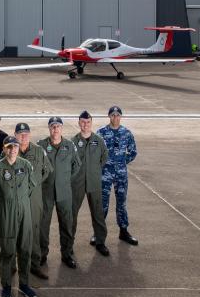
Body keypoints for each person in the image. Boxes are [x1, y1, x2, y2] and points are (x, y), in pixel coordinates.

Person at [0, 136, 38, 297]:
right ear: (4, 149)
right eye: (9, 147)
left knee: (25, 248)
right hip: (6, 212)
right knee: (7, 250)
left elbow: (31, 186)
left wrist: (21, 201)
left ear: (19, 148)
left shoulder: (26, 165)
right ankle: (6, 286)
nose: (12, 150)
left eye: (15, 146)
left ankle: (24, 284)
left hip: (24, 211)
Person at [37, 117, 81, 269]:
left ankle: (67, 254)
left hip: (64, 192)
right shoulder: (41, 145)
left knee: (67, 223)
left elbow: (77, 165)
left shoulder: (70, 145)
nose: (55, 129)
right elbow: (37, 166)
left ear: (62, 128)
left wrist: (65, 180)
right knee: (43, 224)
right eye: (52, 126)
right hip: (46, 191)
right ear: (49, 129)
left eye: (58, 126)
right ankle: (42, 254)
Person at [12, 123, 52, 280]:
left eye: (26, 133)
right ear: (15, 135)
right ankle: (11, 266)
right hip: (16, 200)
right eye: (20, 133)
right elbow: (0, 171)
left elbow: (46, 170)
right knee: (14, 232)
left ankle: (34, 265)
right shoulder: (9, 150)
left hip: (34, 200)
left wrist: (34, 183)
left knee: (35, 232)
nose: (23, 136)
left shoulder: (38, 150)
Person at [97, 106, 138, 245]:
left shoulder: (126, 133)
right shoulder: (101, 133)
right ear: (109, 116)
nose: (115, 117)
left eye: (117, 115)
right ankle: (98, 234)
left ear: (121, 117)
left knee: (121, 202)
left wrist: (121, 162)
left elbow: (133, 152)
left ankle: (124, 231)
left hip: (121, 174)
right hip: (105, 173)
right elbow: (95, 151)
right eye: (113, 115)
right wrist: (104, 163)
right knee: (102, 204)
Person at [70, 111, 110, 256]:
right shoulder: (73, 142)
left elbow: (104, 157)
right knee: (72, 214)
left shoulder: (98, 140)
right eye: (82, 122)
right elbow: (69, 162)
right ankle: (68, 244)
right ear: (79, 123)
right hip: (77, 183)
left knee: (98, 213)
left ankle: (100, 241)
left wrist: (94, 171)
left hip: (94, 183)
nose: (85, 125)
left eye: (88, 122)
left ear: (91, 123)